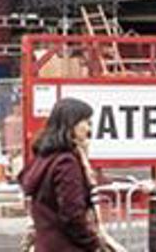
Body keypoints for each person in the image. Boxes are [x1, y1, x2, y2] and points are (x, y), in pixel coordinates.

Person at [20, 98, 106, 252]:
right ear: (71, 124)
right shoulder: (66, 163)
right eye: (86, 122)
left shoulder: (43, 158)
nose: (89, 129)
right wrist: (92, 242)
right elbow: (72, 214)